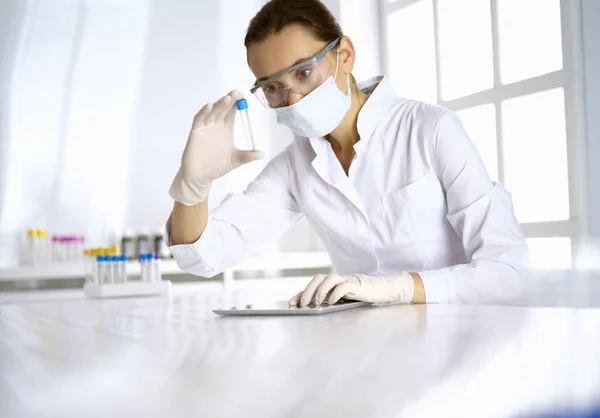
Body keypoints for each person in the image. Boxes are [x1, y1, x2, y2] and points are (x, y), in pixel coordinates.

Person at [166, 0, 529, 306]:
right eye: (274, 87)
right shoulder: (294, 168)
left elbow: (508, 271)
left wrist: (394, 287)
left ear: (345, 54)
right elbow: (203, 257)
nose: (292, 98)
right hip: (366, 355)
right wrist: (194, 187)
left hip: (463, 344)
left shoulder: (430, 130)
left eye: (304, 73)